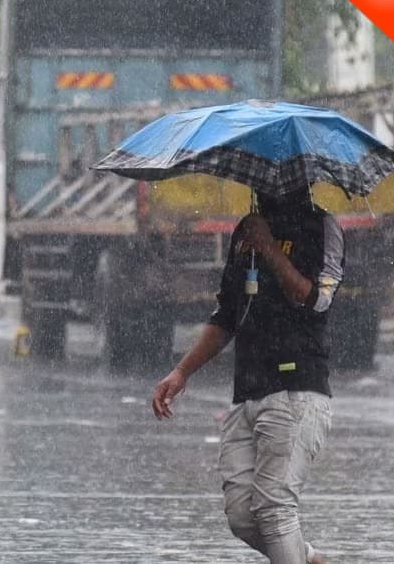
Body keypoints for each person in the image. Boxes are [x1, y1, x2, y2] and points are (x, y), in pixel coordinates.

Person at [150, 188, 343, 564]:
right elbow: (227, 315)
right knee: (242, 516)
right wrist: (181, 371)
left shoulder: (321, 227)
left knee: (274, 509)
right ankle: (310, 559)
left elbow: (316, 300)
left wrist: (270, 249)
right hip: (248, 390)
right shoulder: (245, 231)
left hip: (296, 389)